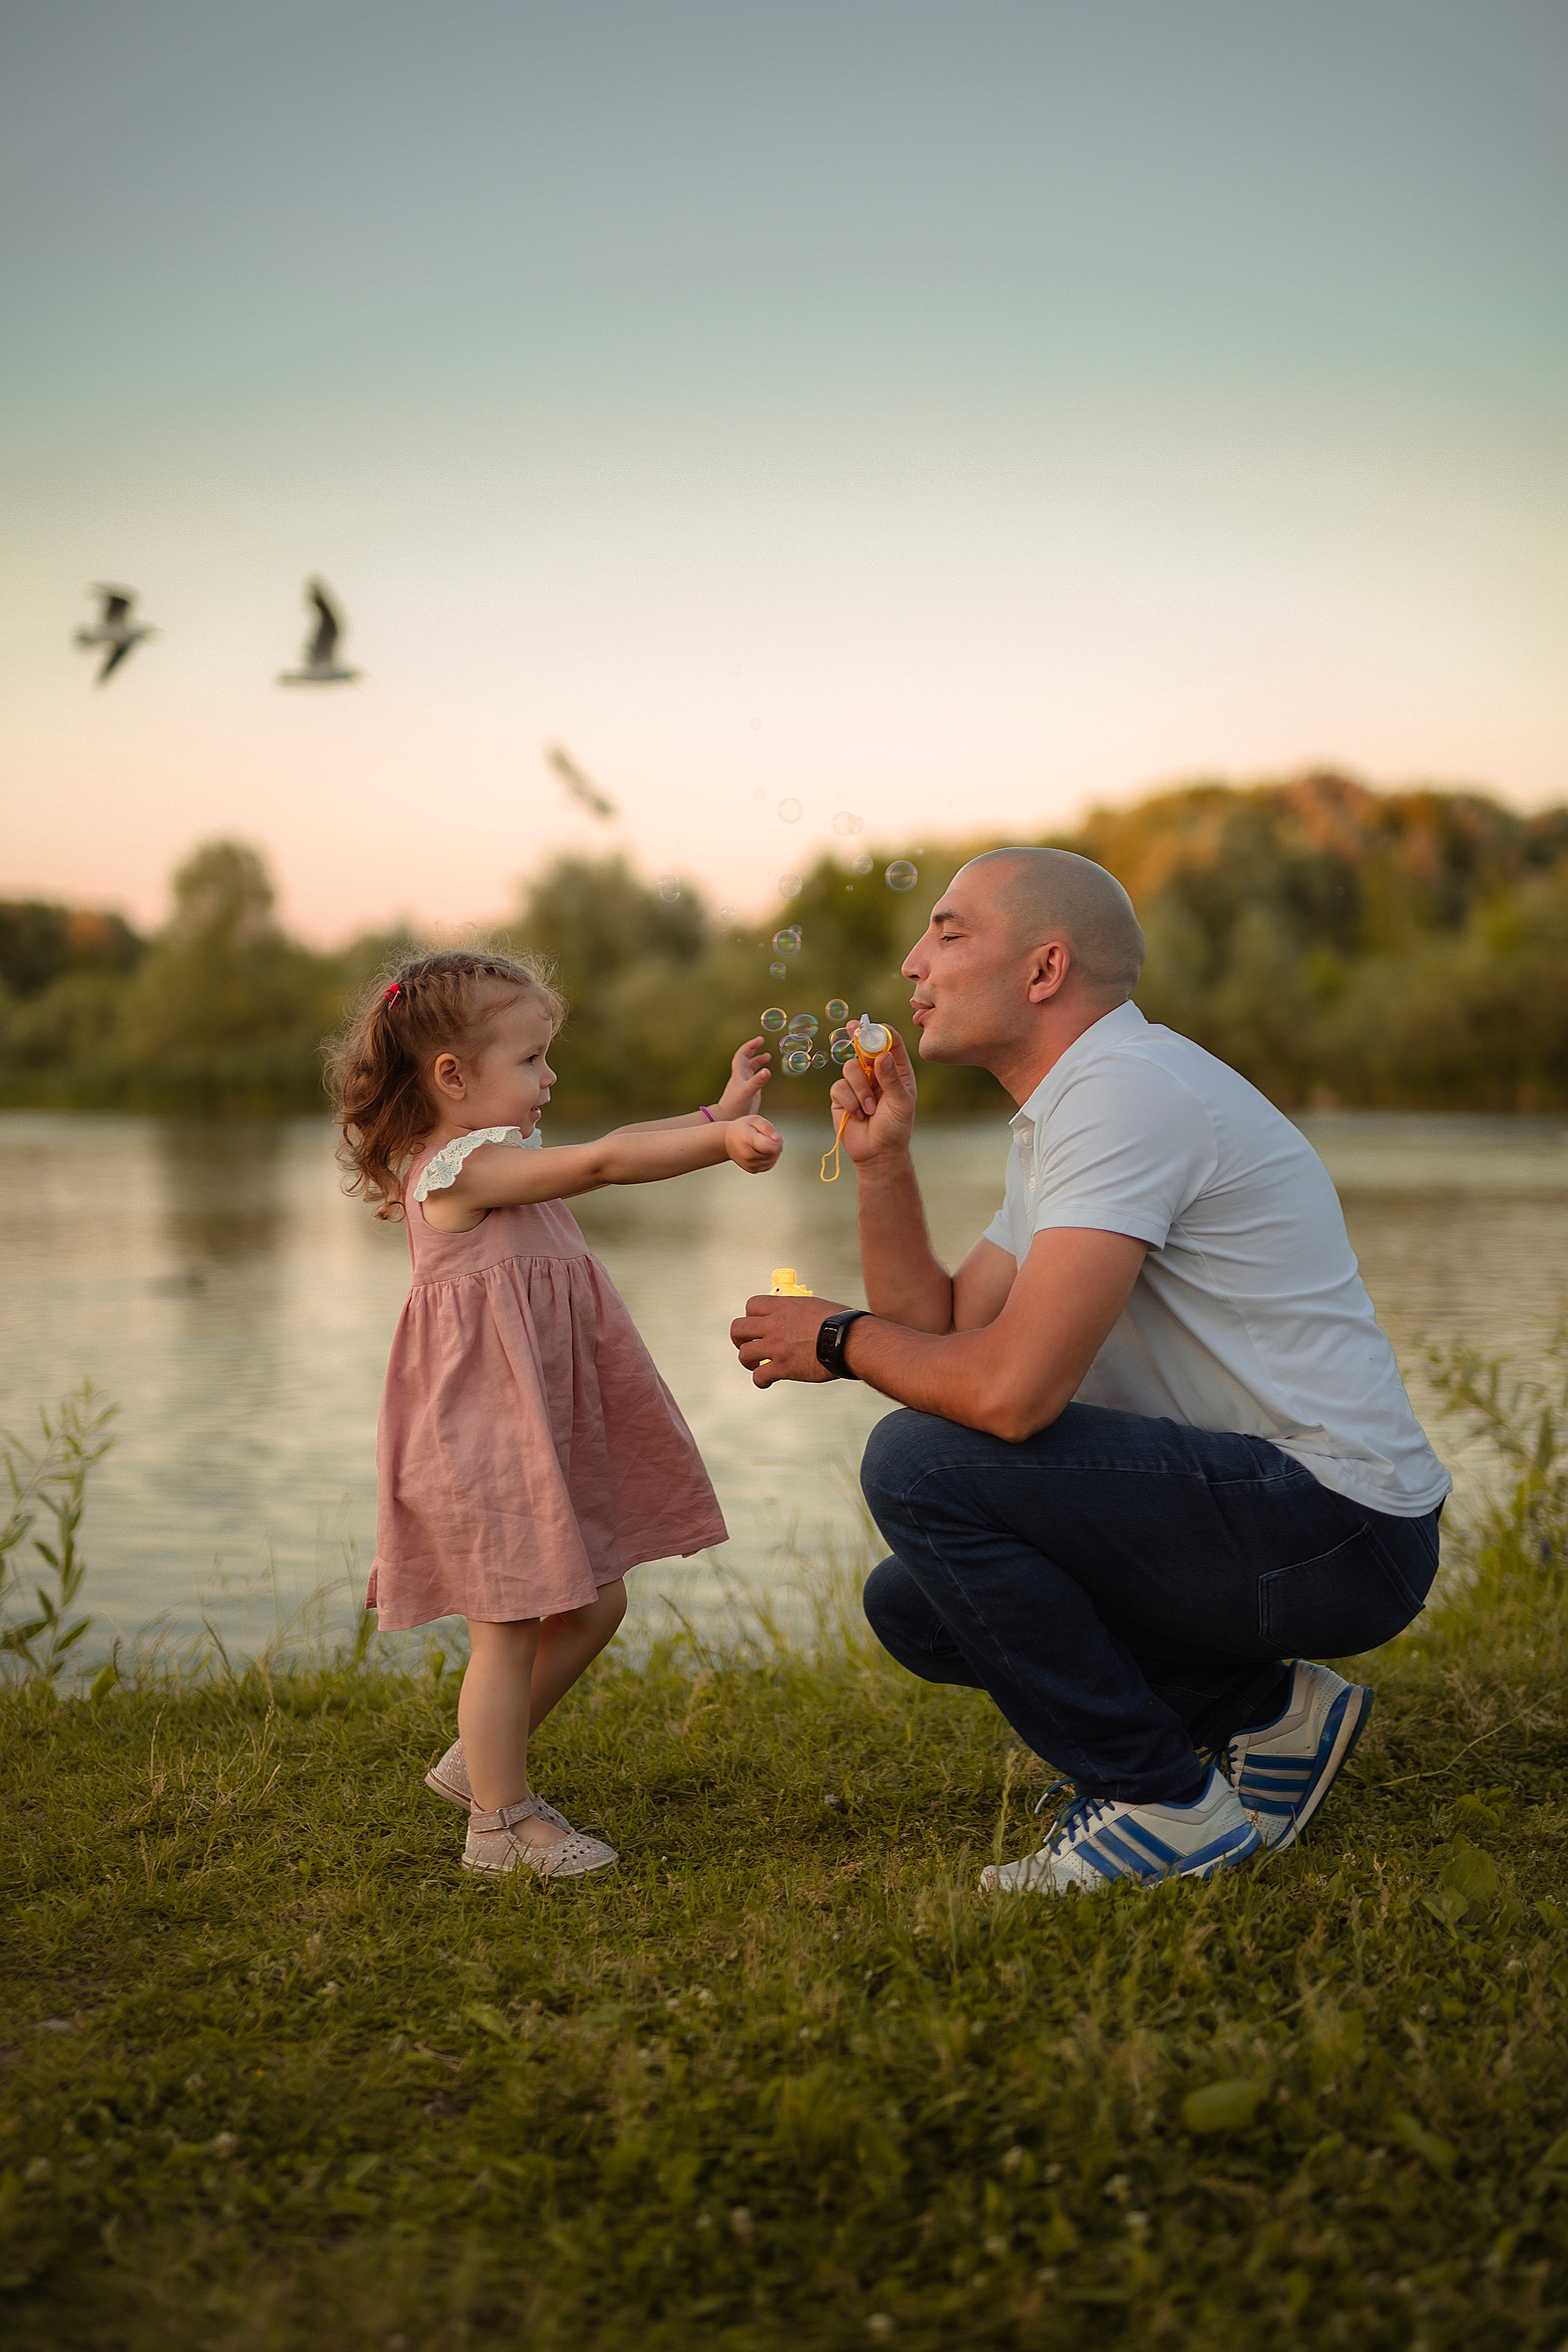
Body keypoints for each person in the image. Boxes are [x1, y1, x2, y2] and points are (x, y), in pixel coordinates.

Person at [729, 850, 1449, 1894]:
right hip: (1283, 1512)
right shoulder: (1076, 1108)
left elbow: (1010, 1397)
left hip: (1335, 1525)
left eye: (948, 931)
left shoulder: (1128, 1096)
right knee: (917, 1603)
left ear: (1044, 969)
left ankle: (1163, 1806)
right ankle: (1269, 1716)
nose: (912, 960)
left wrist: (837, 1340)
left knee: (920, 1464)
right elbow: (939, 1323)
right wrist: (883, 1165)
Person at [334, 948, 782, 1880]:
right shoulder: (456, 1171)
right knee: (509, 1623)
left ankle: (479, 1765)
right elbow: (609, 1159)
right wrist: (718, 1147)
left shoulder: (497, 1157)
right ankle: (499, 1828)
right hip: (483, 1437)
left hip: (529, 1420)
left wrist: (716, 1114)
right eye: (532, 1060)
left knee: (593, 1600)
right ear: (452, 1078)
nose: (551, 1077)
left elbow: (614, 1145)